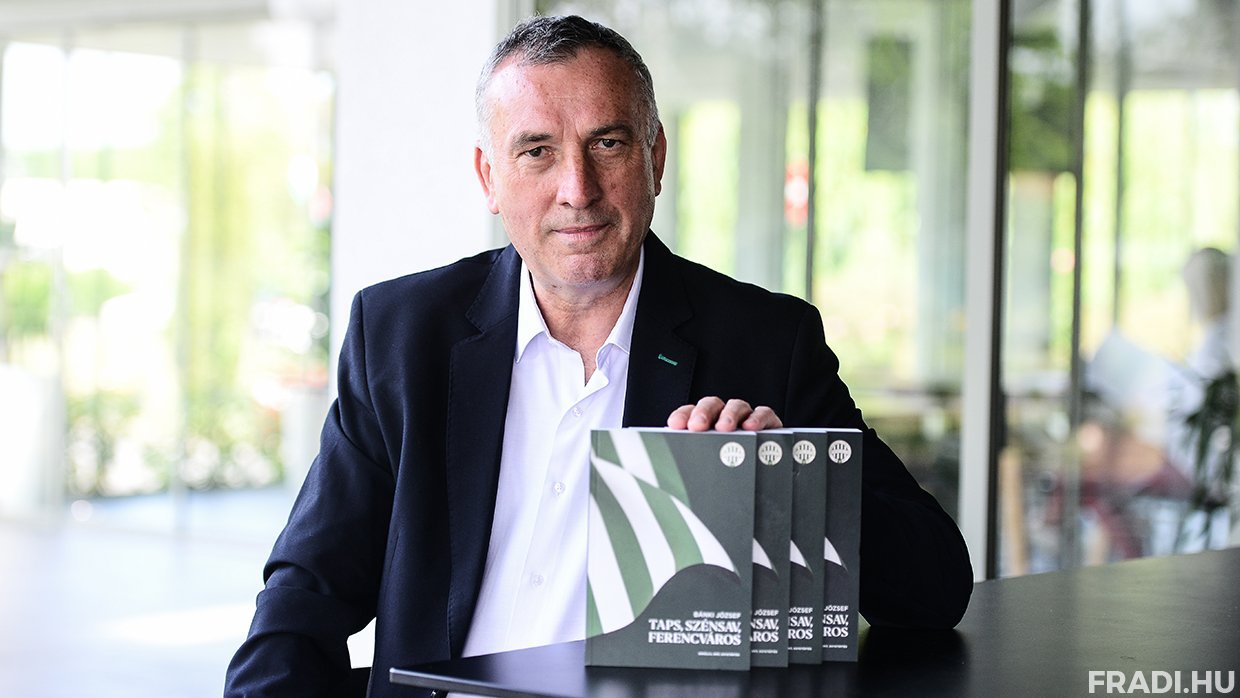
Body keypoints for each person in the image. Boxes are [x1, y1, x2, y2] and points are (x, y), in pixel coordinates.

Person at [225, 15, 972, 697]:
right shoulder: (400, 335)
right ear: (489, 177)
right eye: (537, 152)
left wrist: (792, 482)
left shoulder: (766, 343)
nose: (576, 189)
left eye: (607, 144)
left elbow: (936, 590)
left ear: (656, 158)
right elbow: (305, 595)